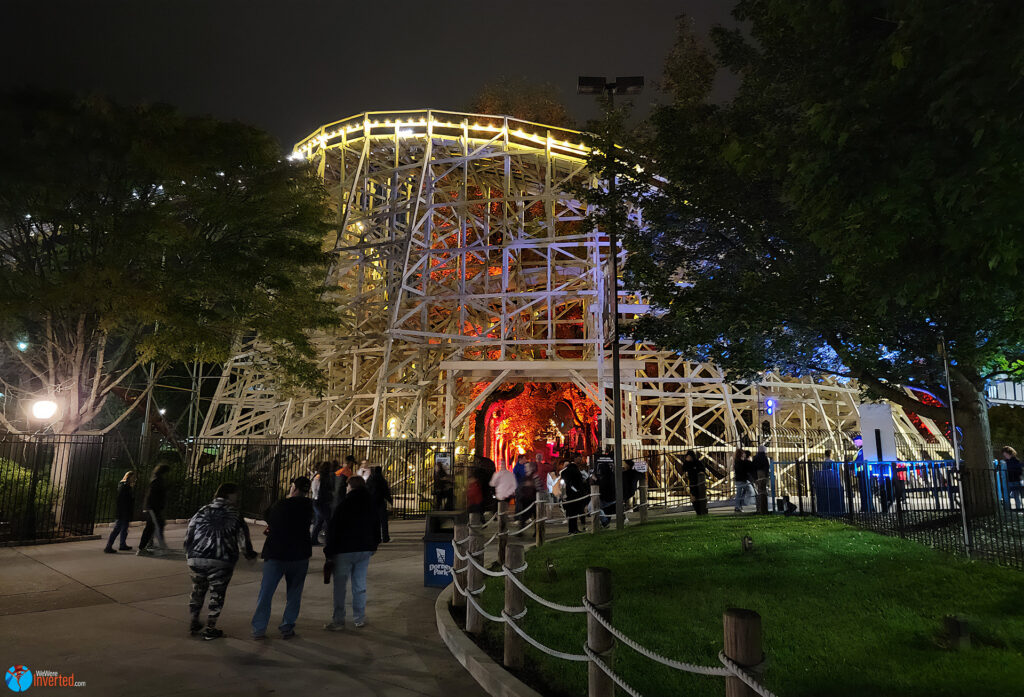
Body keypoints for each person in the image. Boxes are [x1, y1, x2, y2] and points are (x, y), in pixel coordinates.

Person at [184, 482, 257, 640]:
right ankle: (210, 628)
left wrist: (190, 552)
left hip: (196, 558)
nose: (238, 497)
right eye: (236, 494)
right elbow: (243, 539)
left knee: (198, 589)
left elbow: (189, 532)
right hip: (221, 560)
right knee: (217, 593)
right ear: (229, 494)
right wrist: (249, 555)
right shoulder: (235, 514)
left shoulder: (202, 510)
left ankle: (194, 620)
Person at [251, 477, 314, 640]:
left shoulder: (281, 504)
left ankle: (259, 628)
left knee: (266, 592)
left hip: (277, 554)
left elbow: (268, 515)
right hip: (299, 555)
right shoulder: (309, 506)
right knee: (294, 594)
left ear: (294, 488)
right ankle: (287, 626)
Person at [324, 476, 380, 630]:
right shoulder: (370, 503)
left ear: (351, 486)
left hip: (345, 549)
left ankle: (339, 620)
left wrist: (329, 551)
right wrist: (374, 544)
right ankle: (359, 618)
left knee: (340, 586)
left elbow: (334, 529)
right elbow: (376, 525)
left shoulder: (344, 504)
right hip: (364, 549)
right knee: (359, 584)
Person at [138, 464, 171, 555]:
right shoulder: (157, 481)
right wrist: (151, 508)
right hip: (153, 509)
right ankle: (159, 548)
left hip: (153, 508)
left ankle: (144, 547)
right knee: (154, 527)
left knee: (153, 527)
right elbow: (153, 497)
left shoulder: (156, 480)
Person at [104, 471, 136, 553]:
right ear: (129, 477)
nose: (134, 479)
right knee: (117, 529)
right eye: (133, 477)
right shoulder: (124, 486)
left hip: (124, 511)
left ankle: (122, 544)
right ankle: (108, 546)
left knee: (124, 529)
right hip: (123, 511)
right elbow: (123, 500)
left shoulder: (126, 486)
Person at [560, 458, 587, 534]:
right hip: (576, 495)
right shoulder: (576, 472)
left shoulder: (564, 472)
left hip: (568, 495)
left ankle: (571, 529)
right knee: (575, 513)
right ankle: (575, 529)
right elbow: (580, 483)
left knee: (570, 513)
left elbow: (563, 484)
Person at [367, 466, 393, 543]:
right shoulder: (382, 480)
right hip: (380, 502)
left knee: (375, 521)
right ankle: (385, 537)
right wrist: (390, 500)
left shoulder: (370, 480)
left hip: (372, 502)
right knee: (383, 521)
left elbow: (367, 490)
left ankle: (376, 537)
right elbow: (386, 492)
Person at [310, 462, 334, 546]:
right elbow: (314, 488)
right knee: (324, 519)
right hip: (319, 501)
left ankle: (314, 539)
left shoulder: (325, 476)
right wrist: (316, 496)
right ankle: (326, 539)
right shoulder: (319, 476)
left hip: (322, 501)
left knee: (320, 521)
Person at [516, 462, 539, 527]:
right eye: (525, 467)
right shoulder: (525, 477)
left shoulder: (534, 476)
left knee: (535, 516)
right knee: (523, 517)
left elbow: (538, 488)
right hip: (525, 500)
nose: (525, 468)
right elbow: (520, 488)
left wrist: (532, 485)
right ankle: (521, 529)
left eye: (527, 467)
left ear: (531, 468)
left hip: (532, 500)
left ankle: (537, 530)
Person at [752, 446, 772, 512]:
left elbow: (753, 467)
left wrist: (754, 476)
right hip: (763, 473)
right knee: (763, 489)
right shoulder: (764, 457)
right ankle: (764, 506)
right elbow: (767, 467)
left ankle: (759, 506)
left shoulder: (755, 458)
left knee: (759, 490)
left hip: (757, 474)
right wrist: (767, 475)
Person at [1003, 446, 1022, 511]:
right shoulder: (1006, 461)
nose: (1005, 456)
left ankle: (1018, 508)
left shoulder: (1016, 461)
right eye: (1004, 455)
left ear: (1010, 453)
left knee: (1016, 495)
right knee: (1008, 495)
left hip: (1015, 480)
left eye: (1006, 455)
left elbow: (1019, 471)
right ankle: (1008, 508)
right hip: (1009, 480)